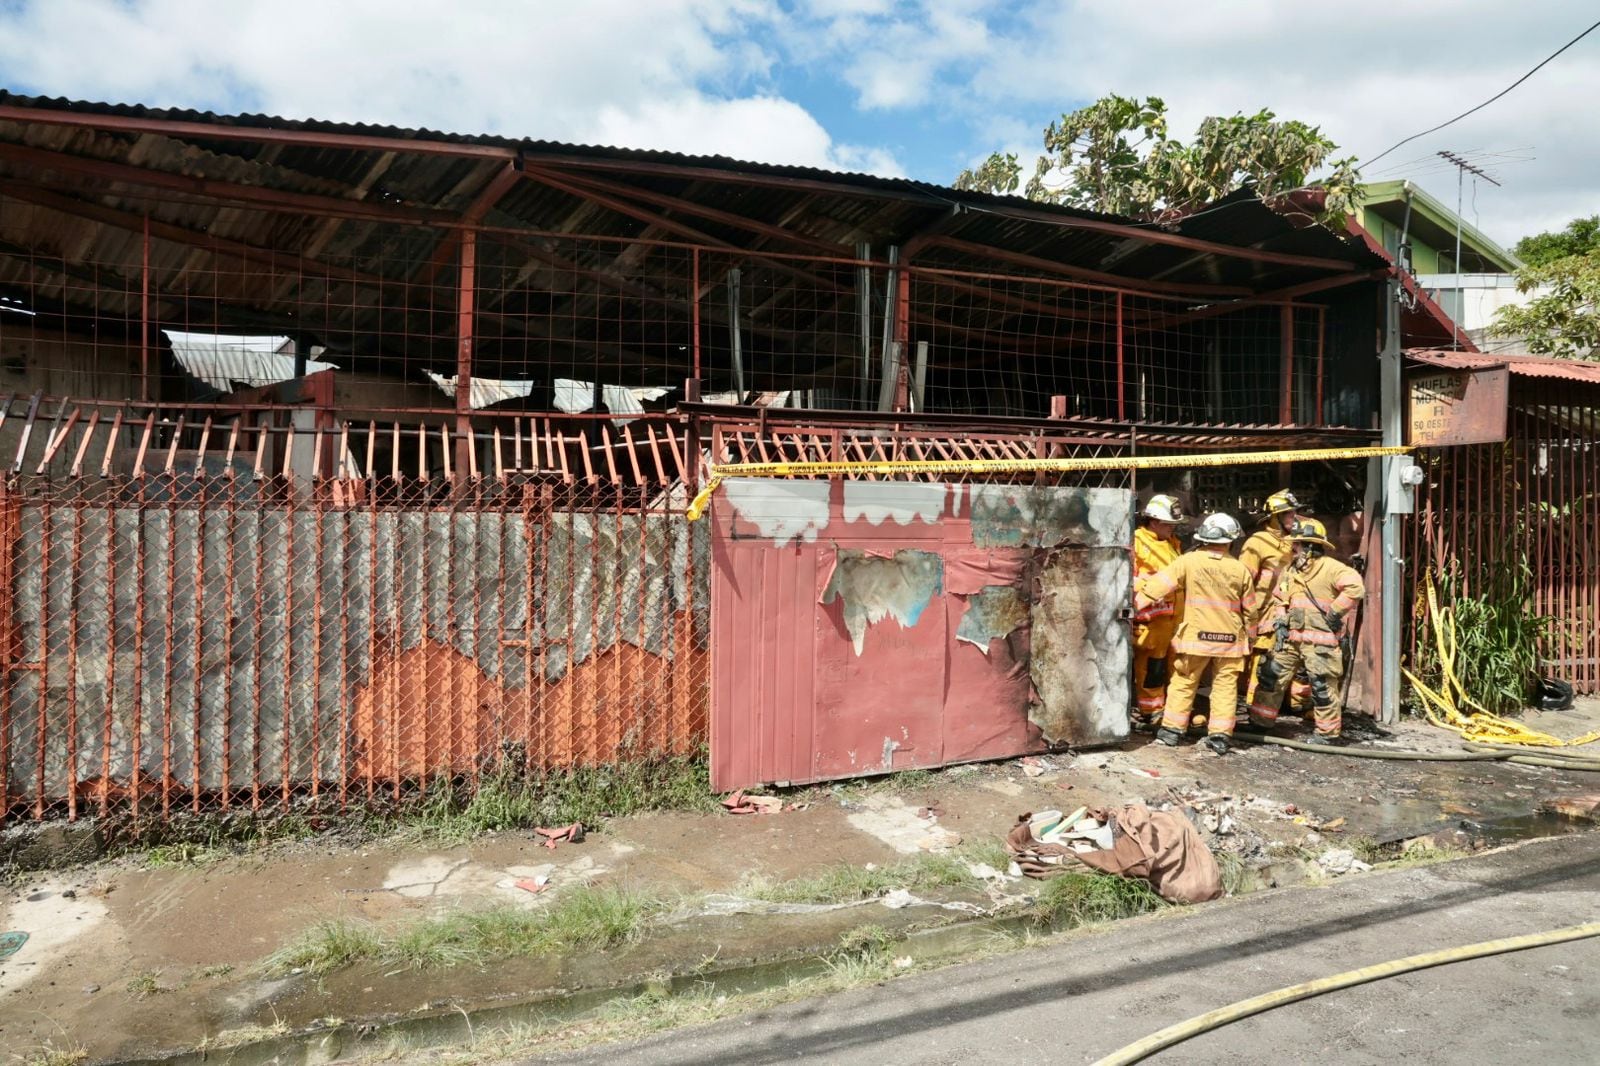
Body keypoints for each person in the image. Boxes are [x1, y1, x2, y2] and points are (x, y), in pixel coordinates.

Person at [1133, 512, 1252, 754]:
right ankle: (1220, 736)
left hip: (1196, 638)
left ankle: (1171, 732)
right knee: (1225, 687)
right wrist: (1252, 637)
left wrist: (1131, 609)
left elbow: (1157, 587)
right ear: (1230, 540)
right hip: (1231, 641)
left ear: (1203, 537)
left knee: (1184, 682)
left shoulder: (1188, 561)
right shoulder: (1240, 570)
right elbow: (1250, 610)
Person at [1245, 519, 1366, 744]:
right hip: (1290, 639)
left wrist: (1335, 612)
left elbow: (1355, 587)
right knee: (1271, 677)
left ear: (1310, 548)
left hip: (1320, 643)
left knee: (1321, 686)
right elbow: (1280, 598)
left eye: (1297, 545)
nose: (1293, 549)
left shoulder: (1332, 568)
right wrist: (1280, 622)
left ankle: (1327, 734)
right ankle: (1260, 723)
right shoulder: (1290, 571)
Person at [1240, 489, 1300, 712]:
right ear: (1276, 517)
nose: (1294, 518)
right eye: (1289, 514)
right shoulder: (1257, 543)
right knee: (1263, 661)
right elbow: (1243, 582)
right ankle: (1254, 708)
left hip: (1290, 611)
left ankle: (1289, 706)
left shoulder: (1296, 542)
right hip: (1264, 612)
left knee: (1289, 658)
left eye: (1295, 513)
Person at [1130, 494, 1185, 732]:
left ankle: (1170, 711)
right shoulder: (1137, 542)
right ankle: (1151, 711)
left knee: (1173, 666)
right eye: (1168, 524)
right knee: (1152, 668)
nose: (1172, 528)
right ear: (1153, 521)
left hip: (1173, 618)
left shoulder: (1172, 542)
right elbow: (1128, 579)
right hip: (1152, 619)